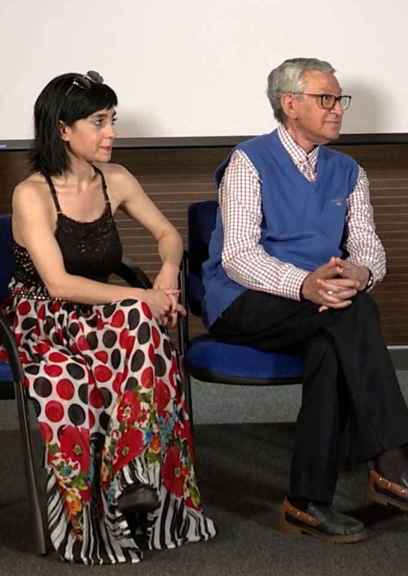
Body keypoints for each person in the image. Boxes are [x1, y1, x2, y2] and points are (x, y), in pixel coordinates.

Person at [203, 57, 408, 544]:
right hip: (245, 300)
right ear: (290, 104)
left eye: (339, 99)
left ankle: (307, 502)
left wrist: (360, 273)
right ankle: (391, 464)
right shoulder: (248, 161)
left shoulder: (349, 171)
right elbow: (237, 256)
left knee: (335, 333)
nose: (338, 109)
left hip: (321, 306)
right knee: (348, 315)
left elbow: (368, 246)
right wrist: (306, 285)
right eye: (326, 99)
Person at [3, 71, 216, 563]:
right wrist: (142, 300)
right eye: (98, 122)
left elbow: (169, 236)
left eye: (112, 120)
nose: (111, 132)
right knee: (132, 332)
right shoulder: (31, 195)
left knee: (143, 324)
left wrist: (165, 274)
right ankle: (116, 495)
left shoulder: (115, 178)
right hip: (44, 323)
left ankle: (133, 477)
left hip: (101, 316)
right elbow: (57, 284)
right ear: (62, 129)